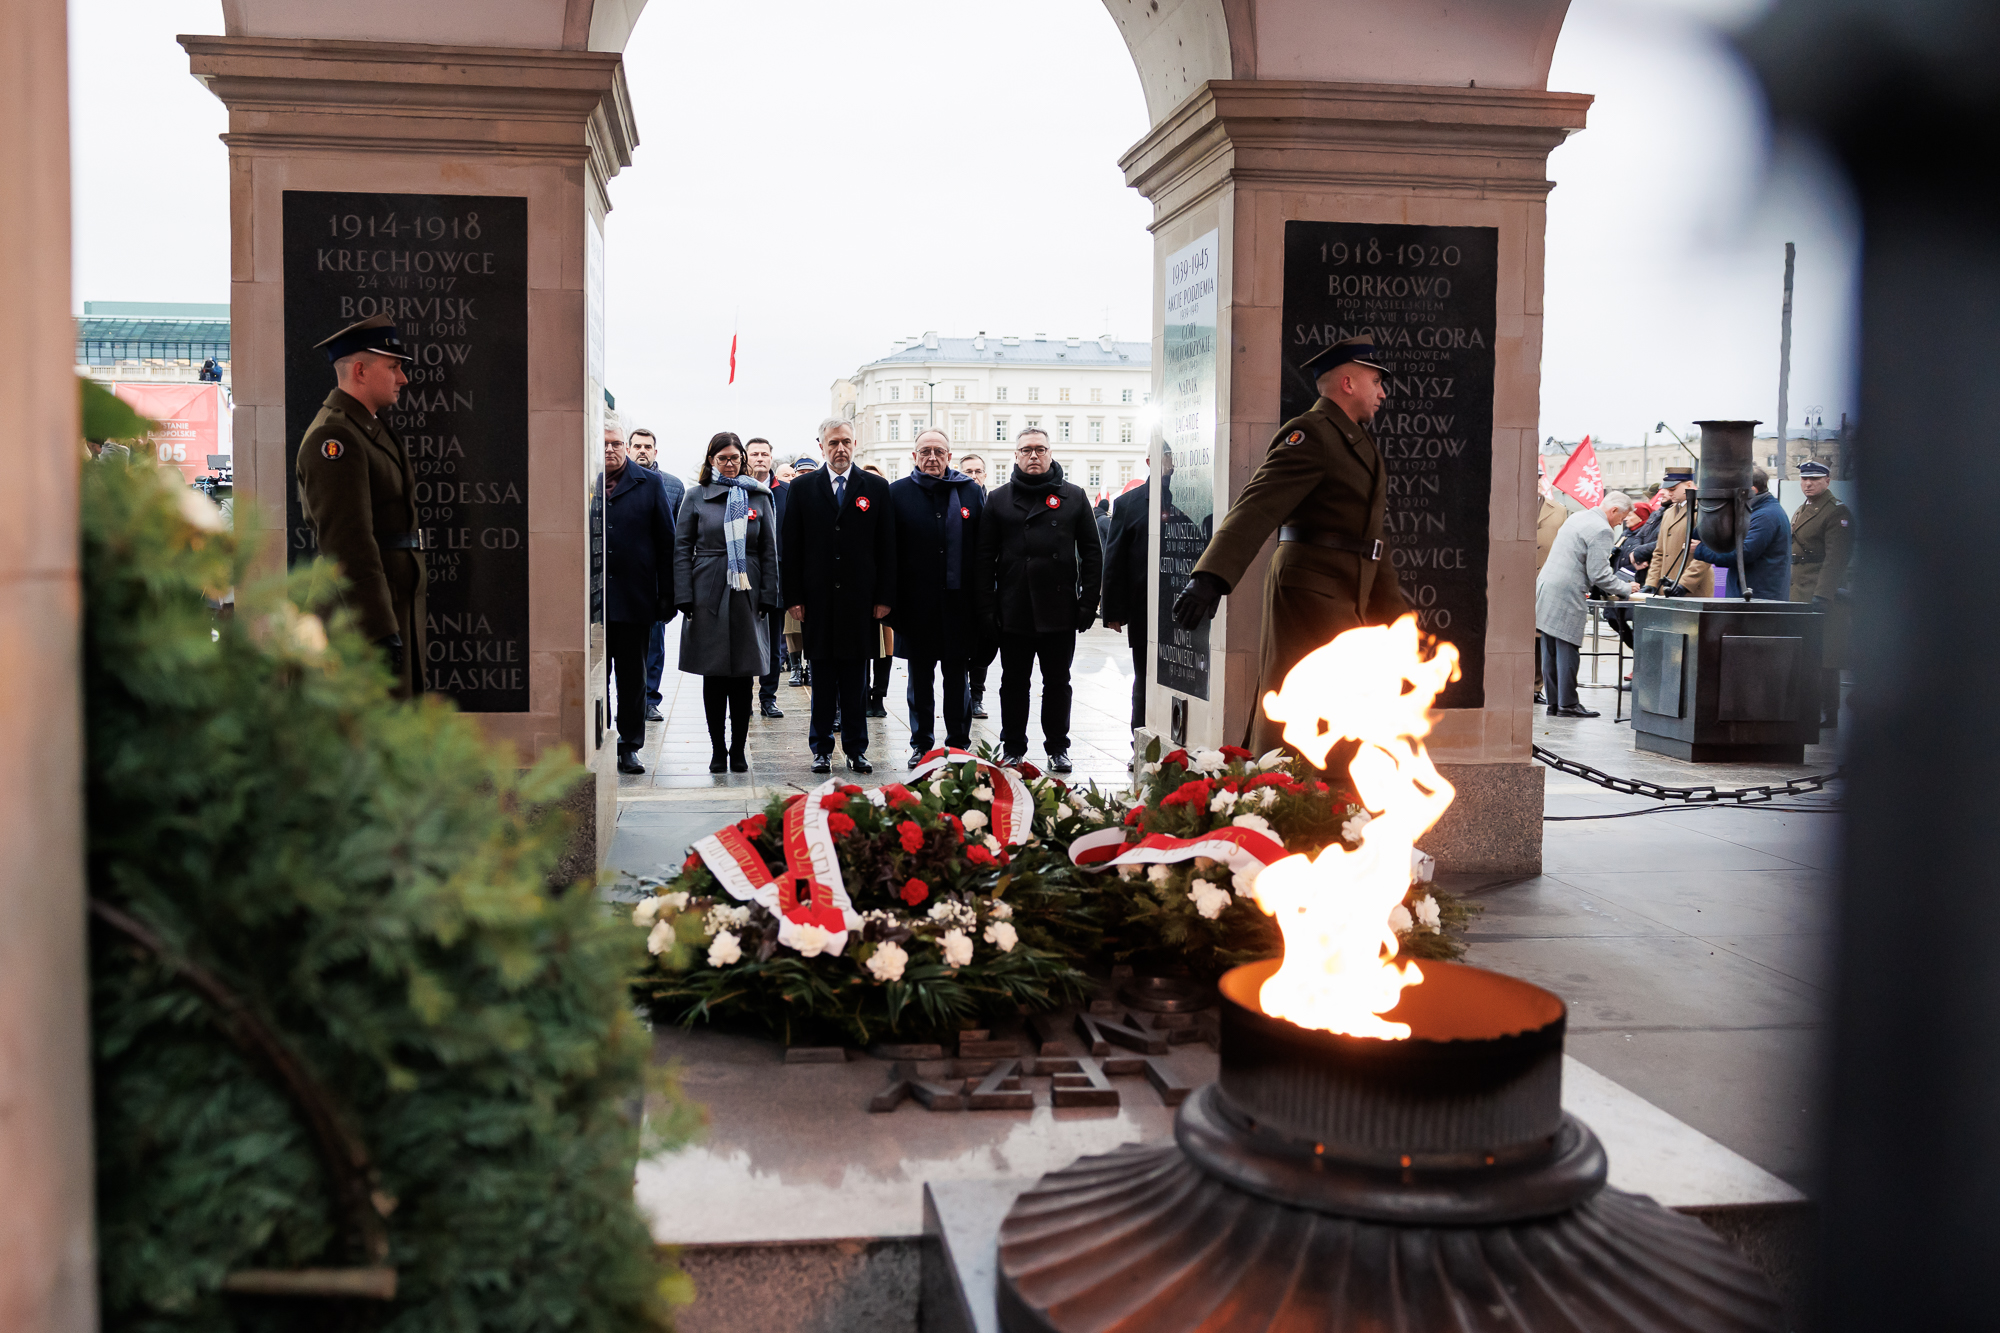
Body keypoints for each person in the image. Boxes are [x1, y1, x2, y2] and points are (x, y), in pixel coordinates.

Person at [1170, 336, 1409, 752]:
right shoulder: (1311, 433)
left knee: (1340, 709)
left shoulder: (1356, 440)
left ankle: (1319, 798)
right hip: (1309, 594)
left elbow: (1371, 541)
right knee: (1300, 706)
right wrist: (1210, 577)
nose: (1383, 392)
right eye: (1377, 381)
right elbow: (1258, 505)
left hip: (1346, 591)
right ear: (1348, 382)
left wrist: (1397, 621)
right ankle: (1276, 791)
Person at [296, 314, 427, 698]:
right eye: (393, 367)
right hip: (358, 620)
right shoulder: (335, 436)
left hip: (389, 606)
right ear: (360, 370)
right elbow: (348, 544)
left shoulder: (366, 427)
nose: (402, 378)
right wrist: (379, 629)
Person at [973, 428, 1101, 772]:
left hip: (1059, 610)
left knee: (1058, 683)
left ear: (1050, 453)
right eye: (1026, 450)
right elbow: (984, 559)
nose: (1033, 456)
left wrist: (1089, 602)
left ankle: (1058, 747)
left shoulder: (1073, 496)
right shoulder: (998, 499)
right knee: (1013, 683)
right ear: (1015, 456)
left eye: (1040, 449)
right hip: (1014, 609)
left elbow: (1092, 553)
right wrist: (986, 608)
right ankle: (1013, 747)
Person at [782, 418, 896, 774]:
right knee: (822, 677)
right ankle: (821, 748)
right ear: (821, 446)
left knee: (855, 680)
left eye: (846, 441)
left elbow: (886, 547)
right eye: (833, 443)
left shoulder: (875, 487)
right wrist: (794, 597)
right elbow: (791, 546)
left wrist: (884, 597)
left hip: (860, 602)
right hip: (816, 601)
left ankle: (857, 748)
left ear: (855, 443)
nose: (840, 449)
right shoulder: (802, 489)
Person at [674, 433, 779, 773]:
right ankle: (718, 749)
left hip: (748, 590)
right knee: (714, 673)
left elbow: (769, 550)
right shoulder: (696, 497)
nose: (730, 464)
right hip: (708, 589)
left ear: (743, 460)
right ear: (711, 462)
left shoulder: (759, 498)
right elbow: (681, 549)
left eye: (735, 458)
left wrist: (769, 595)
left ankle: (738, 749)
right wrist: (684, 596)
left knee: (744, 675)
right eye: (723, 459)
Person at [887, 428, 984, 765]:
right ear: (914, 456)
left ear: (949, 456)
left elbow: (982, 550)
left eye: (938, 452)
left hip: (959, 605)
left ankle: (958, 743)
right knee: (920, 681)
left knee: (958, 680)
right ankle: (921, 744)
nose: (932, 457)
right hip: (917, 606)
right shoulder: (897, 493)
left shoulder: (970, 492)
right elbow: (888, 552)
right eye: (925, 451)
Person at [601, 423, 683, 773]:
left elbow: (668, 542)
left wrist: (667, 595)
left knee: (632, 678)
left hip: (635, 599)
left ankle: (629, 745)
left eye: (616, 443)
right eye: (604, 444)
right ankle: (595, 737)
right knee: (594, 676)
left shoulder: (649, 484)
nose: (610, 450)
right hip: (592, 602)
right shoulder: (583, 479)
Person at [1536, 492, 1639, 718]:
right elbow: (1599, 574)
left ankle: (1555, 703)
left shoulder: (1578, 517)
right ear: (1613, 511)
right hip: (1567, 591)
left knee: (1550, 649)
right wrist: (1625, 588)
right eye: (1621, 518)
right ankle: (1569, 704)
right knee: (1568, 649)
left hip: (1546, 586)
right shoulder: (1602, 530)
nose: (1620, 523)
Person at [1789, 460, 1853, 728]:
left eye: (1814, 479)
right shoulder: (1802, 509)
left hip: (1821, 593)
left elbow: (1836, 559)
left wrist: (1822, 596)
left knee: (1826, 657)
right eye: (1804, 479)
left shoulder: (1836, 512)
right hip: (1799, 589)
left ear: (1827, 480)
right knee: (1807, 654)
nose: (1808, 483)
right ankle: (1808, 709)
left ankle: (1830, 712)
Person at [1099, 467, 1152, 736]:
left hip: (1185, 607)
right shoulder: (1128, 503)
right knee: (1143, 679)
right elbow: (1114, 557)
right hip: (1143, 607)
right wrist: (1113, 611)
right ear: (1150, 460)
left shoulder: (1195, 497)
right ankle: (1139, 743)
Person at [626, 428, 671, 721]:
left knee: (655, 644)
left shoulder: (672, 486)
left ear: (656, 451)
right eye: (637, 446)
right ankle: (629, 700)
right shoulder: (610, 483)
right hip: (625, 582)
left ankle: (650, 699)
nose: (643, 451)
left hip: (655, 582)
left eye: (648, 446)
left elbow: (674, 538)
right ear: (629, 449)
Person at [1693, 466, 1791, 599]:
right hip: (1749, 594)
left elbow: (1742, 553)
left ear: (1751, 491)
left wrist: (1699, 550)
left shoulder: (1766, 516)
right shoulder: (1754, 511)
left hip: (1759, 598)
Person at [745, 437, 788, 718]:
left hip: (779, 578)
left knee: (773, 642)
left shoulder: (786, 492)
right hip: (746, 577)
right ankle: (743, 697)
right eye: (754, 454)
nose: (760, 458)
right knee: (747, 639)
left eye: (764, 453)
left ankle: (768, 697)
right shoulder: (739, 491)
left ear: (771, 458)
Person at [959, 452, 994, 718]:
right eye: (968, 471)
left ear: (985, 475)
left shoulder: (995, 502)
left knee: (986, 645)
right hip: (963, 586)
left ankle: (978, 694)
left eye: (978, 471)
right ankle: (965, 695)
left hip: (990, 587)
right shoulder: (957, 499)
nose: (973, 476)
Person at [1644, 465, 1711, 597]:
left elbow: (1705, 555)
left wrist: (1684, 584)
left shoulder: (1703, 511)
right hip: (1667, 588)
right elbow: (1660, 552)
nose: (1669, 493)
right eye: (1667, 489)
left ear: (1689, 484)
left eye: (1673, 489)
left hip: (1692, 590)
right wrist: (1651, 583)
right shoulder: (1669, 513)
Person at [1534, 460, 1570, 705]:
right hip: (1514, 579)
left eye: (1535, 477)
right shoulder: (1506, 505)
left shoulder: (1558, 510)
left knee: (1540, 635)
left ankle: (1535, 686)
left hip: (1546, 579)